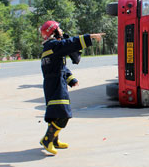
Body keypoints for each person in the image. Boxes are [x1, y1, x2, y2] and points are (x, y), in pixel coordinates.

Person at [39, 20, 104, 155]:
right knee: (63, 115)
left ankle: (54, 141)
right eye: (59, 29)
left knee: (54, 114)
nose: (62, 31)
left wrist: (71, 79)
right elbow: (70, 44)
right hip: (56, 86)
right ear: (54, 31)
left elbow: (60, 68)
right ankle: (47, 139)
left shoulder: (50, 47)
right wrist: (90, 36)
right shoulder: (54, 45)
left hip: (52, 84)